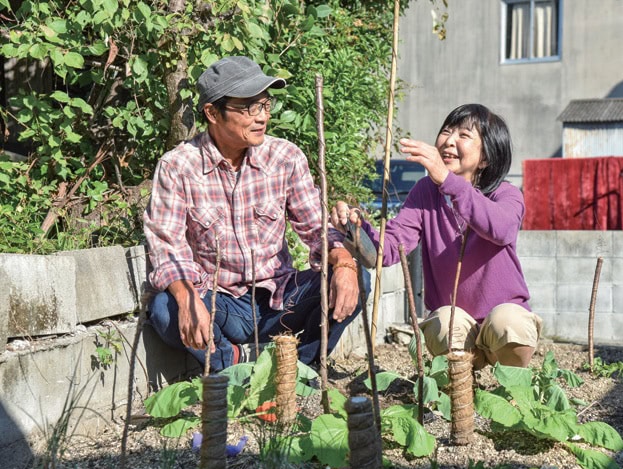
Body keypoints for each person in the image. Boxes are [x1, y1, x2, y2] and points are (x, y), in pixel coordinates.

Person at [143, 56, 364, 372]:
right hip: (218, 302)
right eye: (249, 108)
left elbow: (317, 227)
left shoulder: (284, 157)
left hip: (280, 301)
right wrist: (188, 297)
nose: (262, 117)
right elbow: (167, 249)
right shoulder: (178, 167)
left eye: (265, 105)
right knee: (165, 311)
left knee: (358, 280)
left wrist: (343, 261)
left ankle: (298, 369)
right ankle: (230, 368)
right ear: (212, 113)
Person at [332, 103, 541, 370]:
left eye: (464, 136)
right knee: (443, 321)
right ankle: (461, 387)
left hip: (500, 323)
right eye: (446, 131)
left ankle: (515, 390)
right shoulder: (425, 192)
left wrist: (447, 180)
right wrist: (355, 229)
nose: (449, 141)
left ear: (486, 158)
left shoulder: (505, 194)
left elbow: (501, 229)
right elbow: (390, 247)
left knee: (509, 322)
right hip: (456, 328)